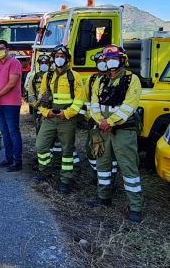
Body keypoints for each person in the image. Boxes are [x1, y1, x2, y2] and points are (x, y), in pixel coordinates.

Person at [87, 46, 143, 223]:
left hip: (123, 130)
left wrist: (110, 122)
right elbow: (94, 103)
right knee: (102, 163)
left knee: (128, 167)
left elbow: (129, 106)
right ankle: (103, 198)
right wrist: (99, 121)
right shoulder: (100, 80)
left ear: (122, 59)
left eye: (114, 58)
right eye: (107, 58)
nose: (110, 62)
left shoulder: (131, 79)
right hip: (103, 128)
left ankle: (135, 207)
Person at [35, 45, 84, 193]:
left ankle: (65, 180)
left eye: (62, 56)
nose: (59, 59)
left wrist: (67, 114)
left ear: (68, 59)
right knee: (41, 146)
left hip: (66, 119)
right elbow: (41, 97)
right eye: (57, 56)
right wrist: (45, 112)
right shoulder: (47, 76)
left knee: (67, 151)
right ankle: (45, 172)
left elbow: (79, 100)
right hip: (49, 117)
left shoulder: (75, 76)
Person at [0, 40, 23, 172]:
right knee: (4, 132)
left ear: (7, 49)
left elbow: (11, 84)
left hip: (11, 104)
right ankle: (8, 158)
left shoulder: (14, 63)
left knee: (13, 132)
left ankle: (17, 161)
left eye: (1, 48)